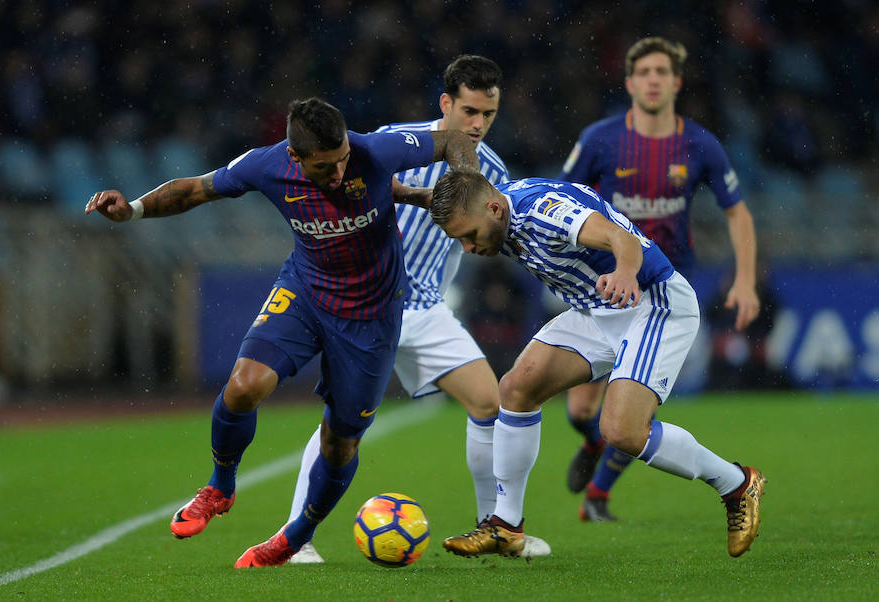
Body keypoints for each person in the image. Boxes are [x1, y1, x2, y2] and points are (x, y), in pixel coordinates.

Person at [85, 97, 480, 568]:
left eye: (342, 161)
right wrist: (131, 210)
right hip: (306, 291)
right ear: (295, 157)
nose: (338, 173)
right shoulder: (266, 165)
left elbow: (454, 140)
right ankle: (220, 486)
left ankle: (295, 536)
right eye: (324, 167)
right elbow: (195, 190)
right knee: (243, 385)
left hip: (373, 314)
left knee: (341, 441)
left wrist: (465, 184)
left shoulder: (374, 150)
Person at [286, 55, 549, 564]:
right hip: (369, 303)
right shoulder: (392, 142)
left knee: (489, 403)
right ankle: (296, 538)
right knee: (341, 423)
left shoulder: (492, 171)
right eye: (469, 110)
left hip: (426, 306)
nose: (478, 123)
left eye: (489, 114)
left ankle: (495, 528)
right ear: (446, 102)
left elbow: (488, 240)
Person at [429, 169, 766, 559]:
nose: (468, 247)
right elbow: (452, 201)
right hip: (597, 309)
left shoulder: (546, 213)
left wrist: (624, 272)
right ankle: (506, 525)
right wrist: (400, 192)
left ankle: (737, 484)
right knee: (516, 389)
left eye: (470, 235)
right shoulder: (489, 207)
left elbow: (621, 238)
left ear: (494, 210)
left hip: (650, 303)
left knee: (623, 431)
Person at [557, 37, 761, 522]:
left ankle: (598, 495)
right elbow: (561, 196)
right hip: (606, 285)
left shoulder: (699, 144)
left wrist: (746, 279)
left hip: (666, 292)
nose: (653, 80)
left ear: (676, 83)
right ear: (629, 83)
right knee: (581, 410)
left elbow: (737, 212)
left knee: (634, 407)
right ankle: (593, 442)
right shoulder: (600, 140)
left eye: (661, 72)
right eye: (644, 72)